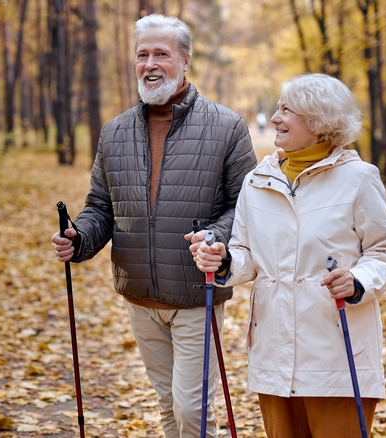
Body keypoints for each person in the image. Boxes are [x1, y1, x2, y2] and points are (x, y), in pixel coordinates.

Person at [51, 14, 257, 438]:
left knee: (191, 411)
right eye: (142, 54)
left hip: (196, 293)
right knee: (168, 406)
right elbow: (101, 206)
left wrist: (214, 240)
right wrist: (81, 236)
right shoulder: (115, 132)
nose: (150, 63)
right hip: (140, 297)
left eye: (161, 53)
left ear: (185, 61)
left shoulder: (227, 127)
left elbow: (245, 207)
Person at [192, 73, 386, 437]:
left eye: (286, 110)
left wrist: (357, 280)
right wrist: (224, 260)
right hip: (274, 355)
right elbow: (245, 252)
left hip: (337, 353)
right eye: (278, 108)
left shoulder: (359, 178)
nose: (275, 118)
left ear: (320, 121)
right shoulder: (257, 180)